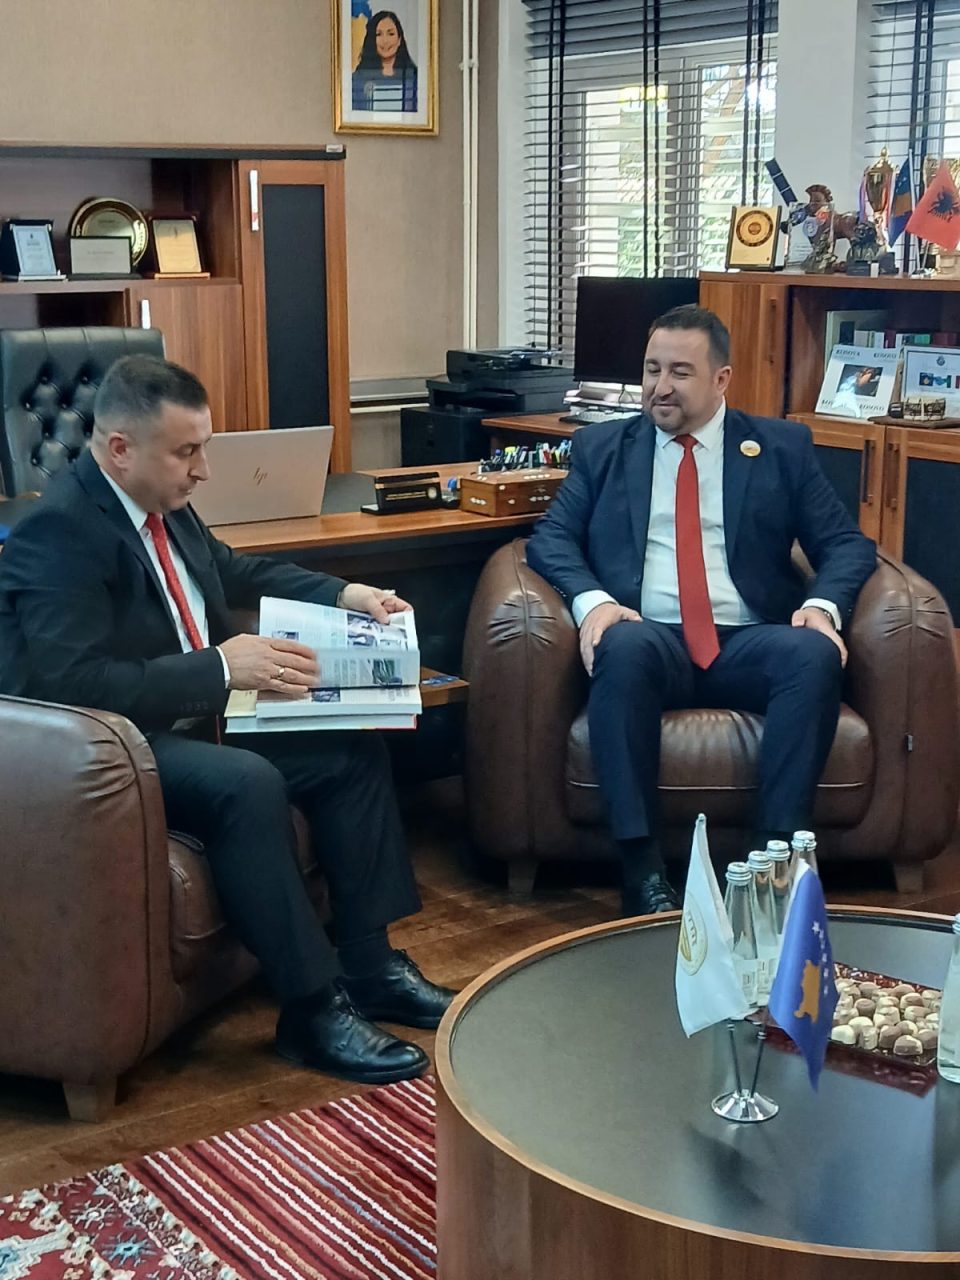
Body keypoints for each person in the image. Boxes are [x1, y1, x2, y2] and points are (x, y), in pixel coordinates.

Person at [0, 355, 454, 1085]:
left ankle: (370, 965)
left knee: (350, 749)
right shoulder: (59, 532)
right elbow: (72, 683)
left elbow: (233, 570)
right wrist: (219, 669)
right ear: (120, 448)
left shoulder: (161, 502)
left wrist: (345, 593)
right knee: (245, 783)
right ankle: (311, 1010)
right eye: (187, 452)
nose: (203, 470)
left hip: (188, 716)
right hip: (110, 747)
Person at [526, 306, 876, 917]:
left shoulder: (779, 447)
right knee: (620, 646)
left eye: (680, 372)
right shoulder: (602, 448)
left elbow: (845, 544)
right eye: (651, 369)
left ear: (721, 379)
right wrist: (595, 602)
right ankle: (642, 872)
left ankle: (771, 867)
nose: (660, 387)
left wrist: (821, 607)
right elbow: (551, 538)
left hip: (749, 637)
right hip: (650, 633)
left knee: (813, 654)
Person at [352, 9, 418, 113]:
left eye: (390, 34)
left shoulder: (413, 77)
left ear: (399, 39)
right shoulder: (357, 79)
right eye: (379, 34)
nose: (385, 41)